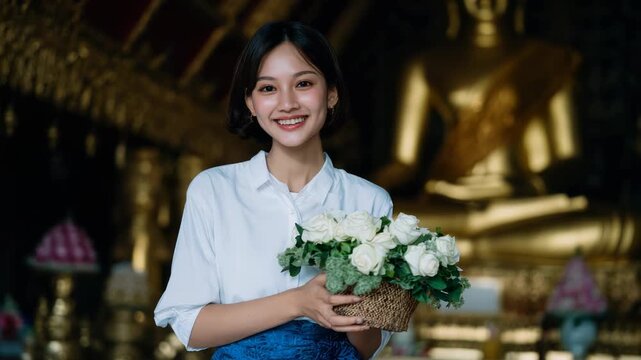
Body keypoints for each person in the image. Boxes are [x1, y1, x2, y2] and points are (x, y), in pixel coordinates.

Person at [154, 21, 394, 359]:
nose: (287, 103)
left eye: (304, 84)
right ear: (250, 102)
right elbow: (190, 326)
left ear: (331, 93)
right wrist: (298, 303)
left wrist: (354, 295)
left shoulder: (369, 200)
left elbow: (369, 347)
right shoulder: (213, 190)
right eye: (268, 89)